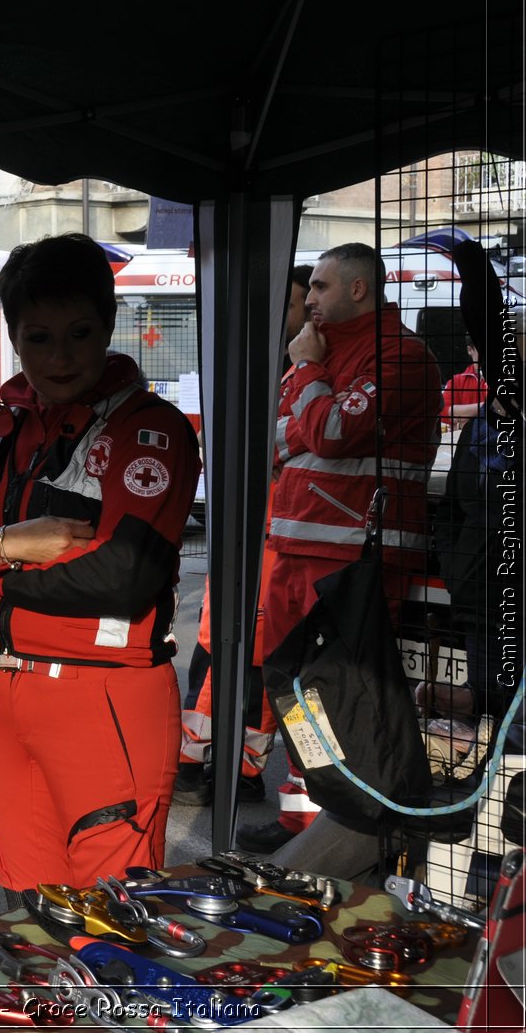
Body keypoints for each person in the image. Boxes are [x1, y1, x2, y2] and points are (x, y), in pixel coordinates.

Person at [0, 233, 199, 894]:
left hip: (103, 696)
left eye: (80, 332)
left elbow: (125, 575)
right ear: (14, 334)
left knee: (113, 930)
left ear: (109, 325)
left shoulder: (149, 430)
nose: (60, 357)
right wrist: (13, 541)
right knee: (28, 920)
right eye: (38, 337)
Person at [236, 242, 442, 855]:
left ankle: (355, 824)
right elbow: (274, 442)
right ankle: (305, 815)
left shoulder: (402, 355)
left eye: (320, 287)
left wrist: (304, 375)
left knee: (343, 694)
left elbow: (326, 433)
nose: (309, 300)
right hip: (300, 547)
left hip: (357, 558)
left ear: (358, 289)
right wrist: (311, 398)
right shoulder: (327, 353)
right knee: (295, 690)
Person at [175, 263, 312, 807]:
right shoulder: (268, 368)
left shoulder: (301, 370)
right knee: (221, 653)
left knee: (257, 663)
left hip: (279, 543)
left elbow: (290, 444)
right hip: (252, 540)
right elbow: (236, 444)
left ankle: (234, 769)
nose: (294, 314)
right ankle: (206, 766)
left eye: (295, 303)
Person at [441, 339, 489, 430]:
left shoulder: (506, 378)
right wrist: (487, 408)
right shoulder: (456, 381)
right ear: (470, 350)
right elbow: (442, 412)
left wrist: (462, 418)